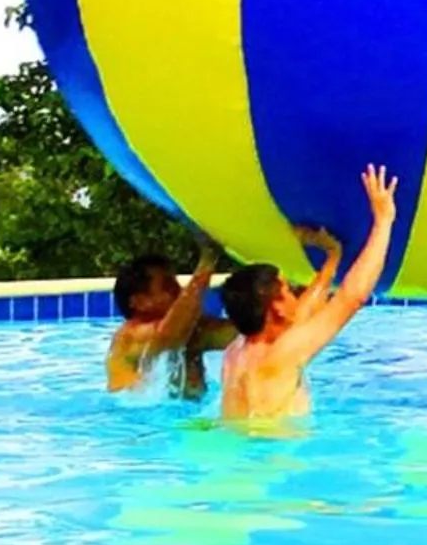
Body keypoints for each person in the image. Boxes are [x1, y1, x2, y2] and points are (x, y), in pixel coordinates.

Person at [219, 165, 397, 421]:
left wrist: (332, 259)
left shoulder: (236, 352)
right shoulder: (282, 354)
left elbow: (298, 315)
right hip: (273, 458)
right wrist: (383, 221)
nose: (296, 295)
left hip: (243, 452)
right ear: (275, 307)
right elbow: (352, 297)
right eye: (289, 290)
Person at [106, 242, 235, 399]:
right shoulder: (128, 338)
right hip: (139, 420)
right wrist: (208, 261)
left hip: (187, 417)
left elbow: (246, 331)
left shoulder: (193, 330)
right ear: (139, 302)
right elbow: (168, 335)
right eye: (168, 286)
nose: (180, 292)